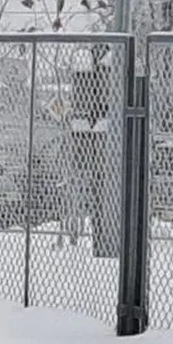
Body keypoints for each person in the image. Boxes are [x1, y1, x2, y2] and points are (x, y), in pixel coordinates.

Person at [63, 46, 119, 253]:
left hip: (98, 129)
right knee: (93, 184)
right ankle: (98, 239)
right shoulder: (87, 72)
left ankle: (105, 240)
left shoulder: (103, 72)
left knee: (100, 185)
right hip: (91, 128)